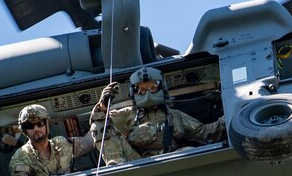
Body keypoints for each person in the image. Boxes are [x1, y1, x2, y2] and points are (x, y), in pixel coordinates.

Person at [90, 66, 224, 165]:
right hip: (136, 163)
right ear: (134, 92)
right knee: (98, 126)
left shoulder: (175, 116)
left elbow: (205, 132)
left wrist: (228, 118)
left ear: (162, 88)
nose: (148, 93)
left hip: (171, 160)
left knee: (189, 151)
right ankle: (118, 168)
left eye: (153, 87)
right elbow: (99, 123)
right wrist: (102, 106)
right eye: (142, 89)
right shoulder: (128, 114)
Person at [7, 104, 96, 176]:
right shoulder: (20, 157)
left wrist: (99, 113)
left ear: (47, 124)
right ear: (24, 130)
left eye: (40, 123)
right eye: (30, 126)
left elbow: (88, 142)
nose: (36, 129)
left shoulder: (61, 143)